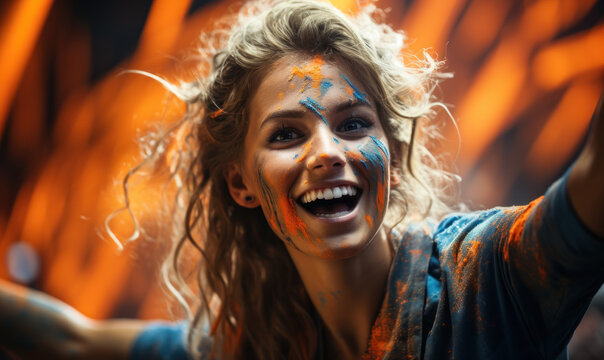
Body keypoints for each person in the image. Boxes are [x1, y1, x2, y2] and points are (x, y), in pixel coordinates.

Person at [1, 0, 603, 359]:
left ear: (389, 152)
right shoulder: (259, 345)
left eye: (353, 124)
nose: (326, 153)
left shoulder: (489, 276)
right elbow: (75, 343)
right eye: (287, 134)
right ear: (241, 183)